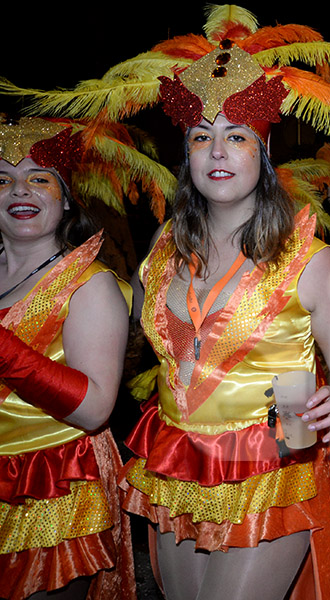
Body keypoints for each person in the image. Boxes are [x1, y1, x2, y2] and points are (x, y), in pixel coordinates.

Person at [18, 7, 330, 599]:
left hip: (273, 465)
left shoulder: (308, 259)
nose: (217, 150)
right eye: (201, 137)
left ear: (261, 154)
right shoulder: (162, 249)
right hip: (177, 463)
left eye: (235, 137)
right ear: (186, 154)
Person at [0, 116, 148, 600]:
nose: (19, 191)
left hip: (55, 486)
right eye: (3, 180)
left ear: (64, 200)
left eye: (37, 179)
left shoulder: (90, 285)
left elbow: (94, 408)